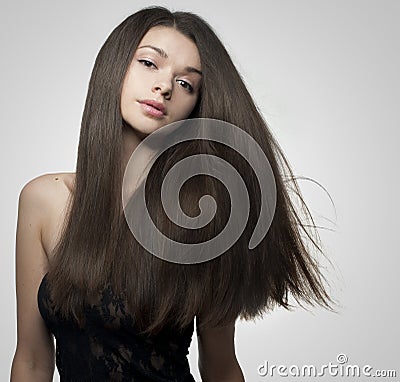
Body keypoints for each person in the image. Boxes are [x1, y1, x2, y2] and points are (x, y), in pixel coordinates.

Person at [10, 6, 336, 381]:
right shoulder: (43, 200)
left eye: (186, 84)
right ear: (115, 66)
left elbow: (220, 365)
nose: (165, 86)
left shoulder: (204, 214)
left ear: (195, 107)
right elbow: (33, 359)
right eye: (150, 63)